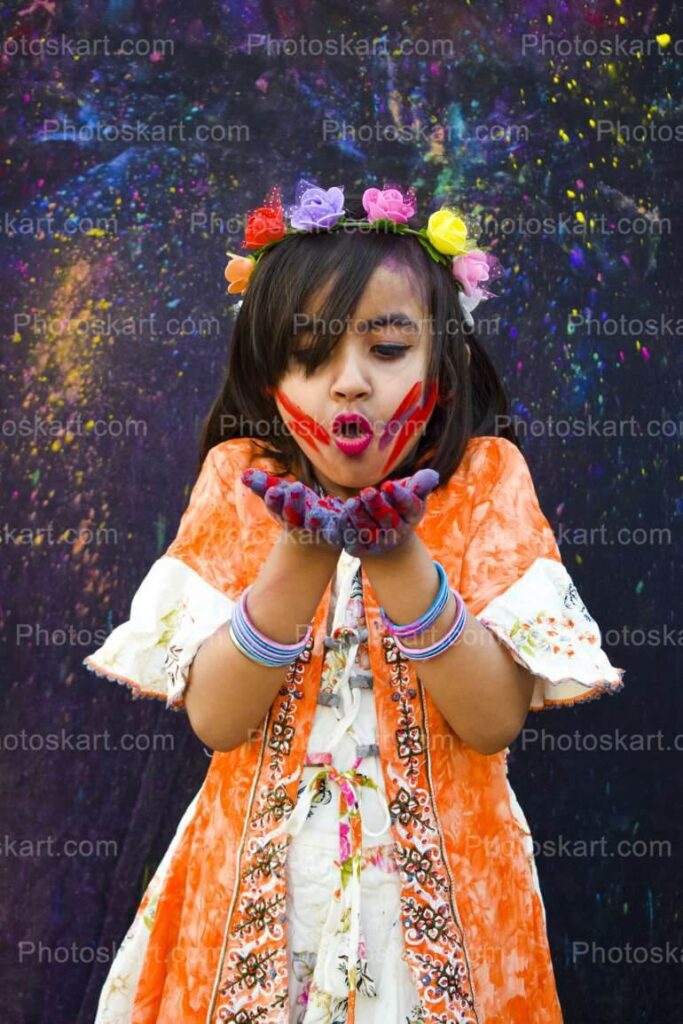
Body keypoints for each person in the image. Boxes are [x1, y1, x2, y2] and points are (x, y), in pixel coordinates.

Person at [84, 181, 625, 1024]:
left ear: (439, 373)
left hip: (438, 909)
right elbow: (217, 720)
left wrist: (399, 556)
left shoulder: (484, 485)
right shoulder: (242, 484)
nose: (347, 384)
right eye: (308, 354)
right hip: (249, 902)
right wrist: (300, 552)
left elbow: (491, 722)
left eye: (384, 349)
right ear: (267, 382)